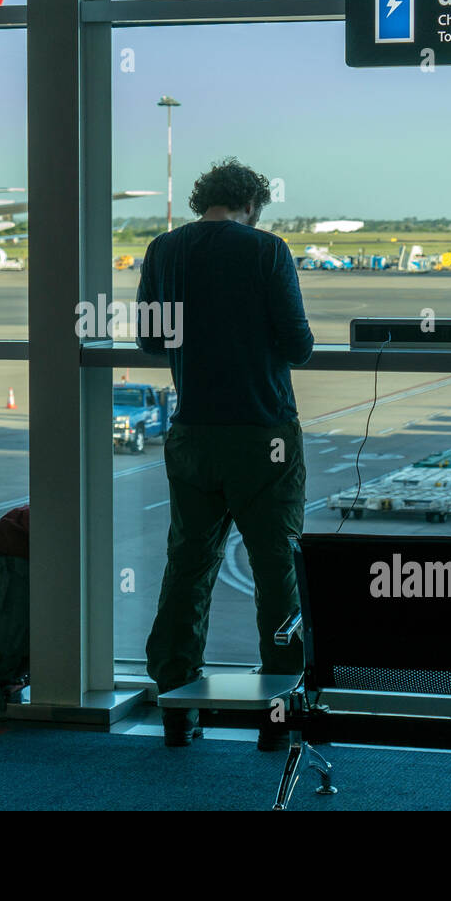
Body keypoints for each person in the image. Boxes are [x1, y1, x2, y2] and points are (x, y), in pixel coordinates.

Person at [135, 157, 314, 748]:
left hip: (192, 435)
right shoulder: (267, 251)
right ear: (253, 205)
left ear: (201, 200)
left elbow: (150, 339)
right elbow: (299, 344)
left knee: (188, 569)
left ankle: (176, 710)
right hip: (262, 434)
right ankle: (278, 718)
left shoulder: (164, 251)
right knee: (277, 574)